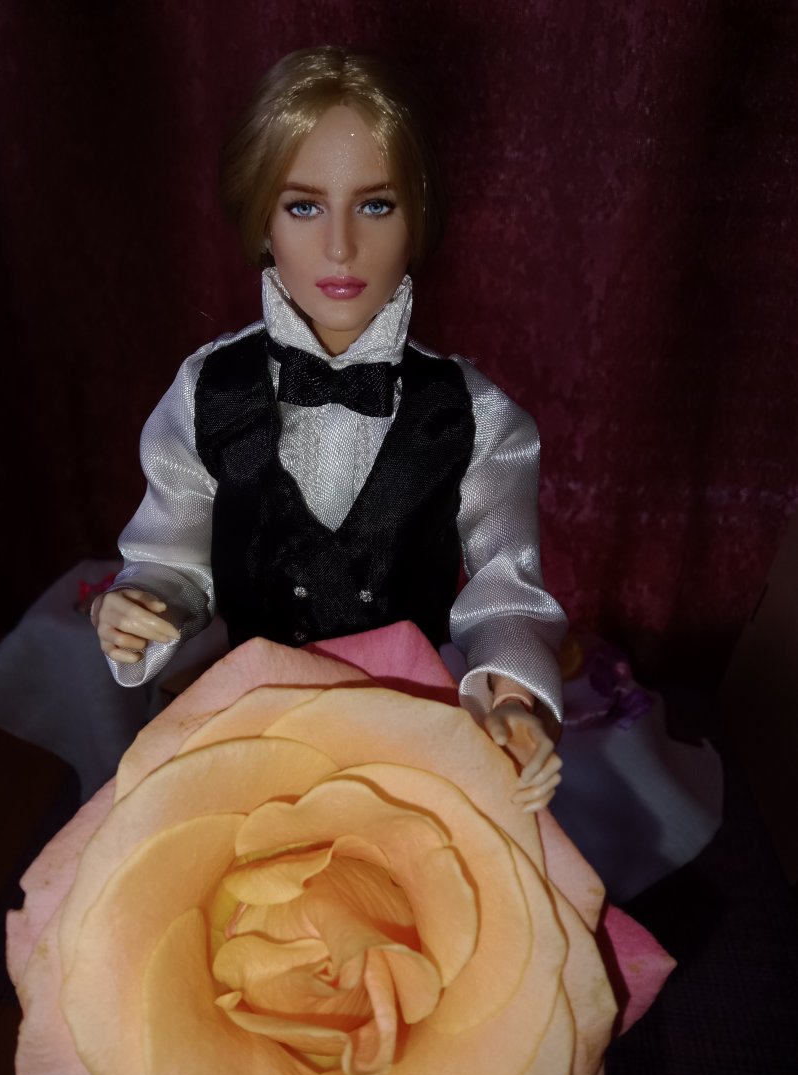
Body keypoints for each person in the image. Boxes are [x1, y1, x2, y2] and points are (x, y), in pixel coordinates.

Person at [93, 46, 567, 811]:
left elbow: (507, 594)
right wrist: (145, 603)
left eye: (376, 205)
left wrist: (513, 697)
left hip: (405, 744)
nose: (341, 247)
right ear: (261, 217)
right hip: (243, 733)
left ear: (418, 218)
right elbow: (173, 558)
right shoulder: (208, 389)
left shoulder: (477, 416)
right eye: (304, 206)